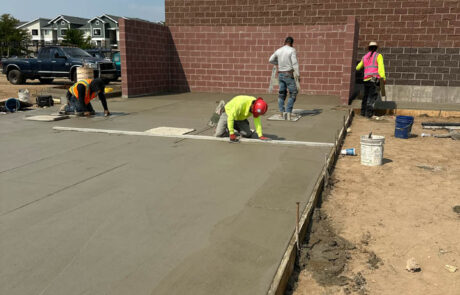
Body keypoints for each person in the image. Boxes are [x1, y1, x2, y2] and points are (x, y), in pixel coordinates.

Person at [269, 36, 300, 121]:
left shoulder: (279, 50)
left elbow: (270, 60)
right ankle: (288, 112)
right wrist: (297, 75)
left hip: (280, 74)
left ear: (285, 42)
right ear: (291, 43)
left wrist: (278, 63)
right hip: (288, 74)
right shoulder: (292, 50)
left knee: (282, 93)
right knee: (293, 92)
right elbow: (295, 63)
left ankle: (281, 112)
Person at [356, 41, 386, 118]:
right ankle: (369, 114)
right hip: (374, 79)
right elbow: (381, 68)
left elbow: (358, 67)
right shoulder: (378, 56)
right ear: (376, 48)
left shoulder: (365, 57)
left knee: (365, 96)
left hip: (366, 79)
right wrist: (383, 78)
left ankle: (363, 112)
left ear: (369, 48)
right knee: (371, 97)